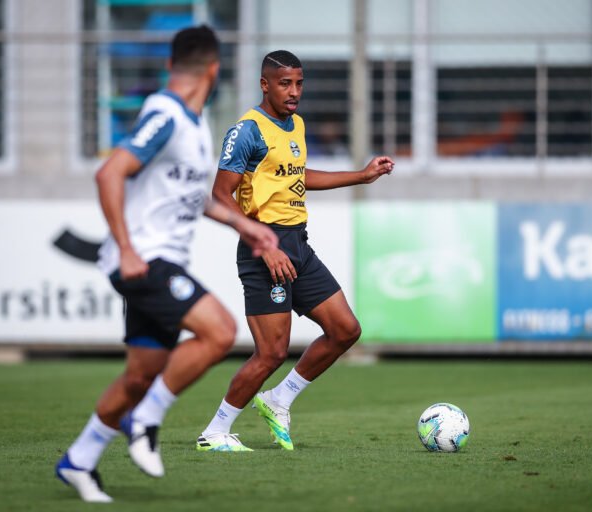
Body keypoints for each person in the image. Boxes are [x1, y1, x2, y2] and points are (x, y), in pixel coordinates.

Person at [54, 26, 278, 503]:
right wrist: (128, 249)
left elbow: (197, 199)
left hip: (159, 261)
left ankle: (80, 460)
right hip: (143, 261)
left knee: (140, 375)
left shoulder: (197, 126)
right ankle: (146, 419)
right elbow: (110, 172)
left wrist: (246, 226)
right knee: (219, 331)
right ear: (213, 70)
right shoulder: (165, 113)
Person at [196, 50, 394, 452]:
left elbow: (298, 176)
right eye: (285, 83)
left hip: (297, 245)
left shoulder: (295, 124)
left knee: (345, 330)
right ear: (265, 84)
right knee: (271, 353)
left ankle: (279, 399)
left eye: (299, 83)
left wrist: (362, 175)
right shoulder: (247, 130)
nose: (294, 92)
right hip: (263, 247)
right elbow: (218, 195)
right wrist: (261, 243)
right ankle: (214, 432)